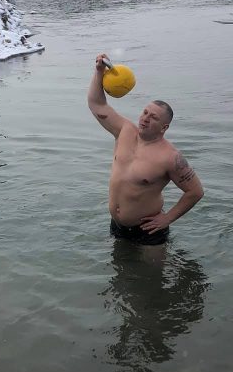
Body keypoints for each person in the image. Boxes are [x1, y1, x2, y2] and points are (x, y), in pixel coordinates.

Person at [87, 53, 204, 245]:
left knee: (152, 276)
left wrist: (167, 218)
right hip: (117, 226)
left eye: (154, 117)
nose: (146, 118)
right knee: (120, 274)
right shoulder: (124, 131)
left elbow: (195, 192)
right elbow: (96, 104)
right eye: (145, 112)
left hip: (149, 231)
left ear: (164, 127)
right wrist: (99, 72)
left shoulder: (170, 157)